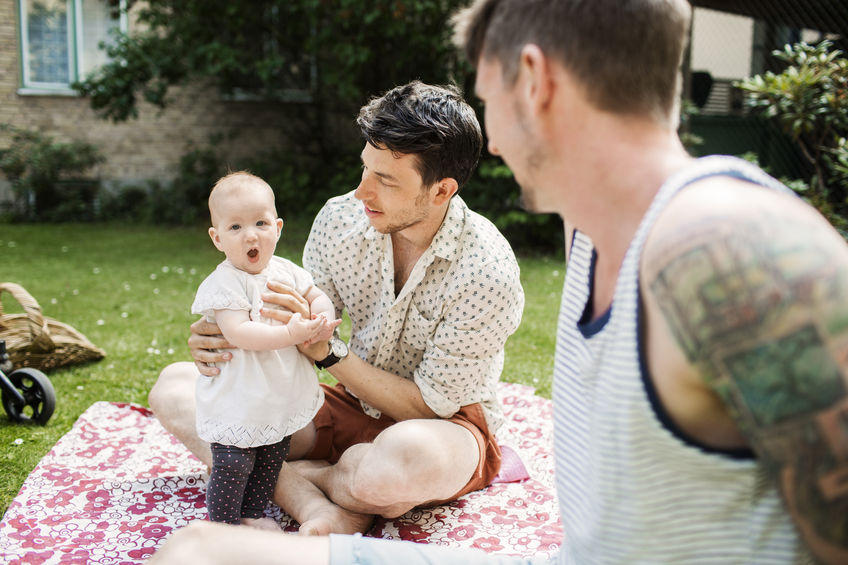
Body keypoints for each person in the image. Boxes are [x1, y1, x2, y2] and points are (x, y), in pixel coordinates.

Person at [151, 0, 848, 562]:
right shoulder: (592, 239)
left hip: (431, 427)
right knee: (196, 550)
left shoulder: (734, 248)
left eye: (488, 98)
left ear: (535, 81)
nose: (495, 140)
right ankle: (302, 493)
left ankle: (297, 488)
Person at [148, 81, 524, 541]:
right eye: (366, 168)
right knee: (176, 388)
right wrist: (218, 335)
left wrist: (328, 353)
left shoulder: (487, 271)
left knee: (396, 467)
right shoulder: (341, 218)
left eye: (386, 180)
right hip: (344, 402)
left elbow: (429, 404)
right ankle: (323, 505)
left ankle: (317, 481)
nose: (362, 192)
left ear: (441, 189)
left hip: (440, 427)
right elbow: (287, 323)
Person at [192, 172, 340, 530]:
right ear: (217, 238)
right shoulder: (225, 283)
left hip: (276, 393)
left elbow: (314, 295)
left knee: (273, 456)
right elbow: (240, 332)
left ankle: (254, 514)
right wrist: (291, 332)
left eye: (260, 223)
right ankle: (224, 524)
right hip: (239, 398)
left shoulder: (286, 271)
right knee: (233, 462)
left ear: (277, 227)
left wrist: (322, 314)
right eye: (236, 227)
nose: (251, 234)